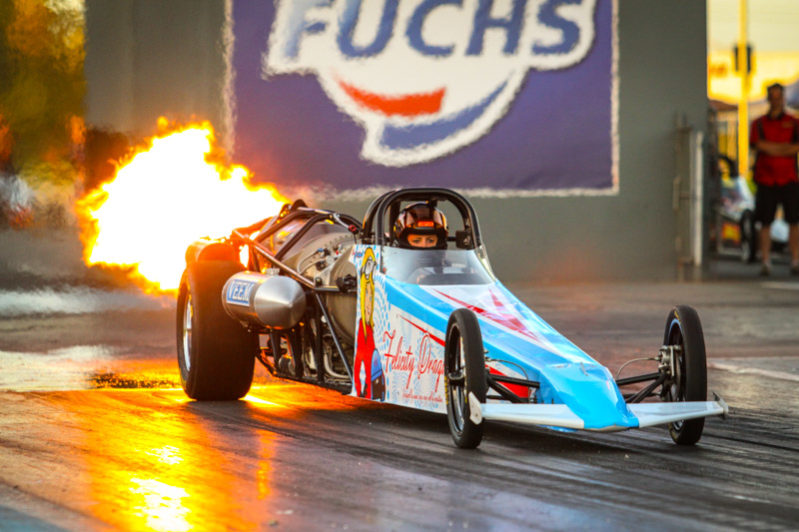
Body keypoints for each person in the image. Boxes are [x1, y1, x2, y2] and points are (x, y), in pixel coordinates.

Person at [750, 82, 799, 276]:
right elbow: (758, 145)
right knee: (765, 222)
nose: (776, 100)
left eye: (779, 96)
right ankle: (765, 261)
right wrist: (783, 148)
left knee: (794, 221)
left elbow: (795, 148)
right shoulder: (759, 123)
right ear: (769, 98)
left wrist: (772, 148)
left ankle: (795, 260)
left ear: (783, 98)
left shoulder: (793, 122)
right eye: (773, 96)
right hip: (766, 179)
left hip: (789, 178)